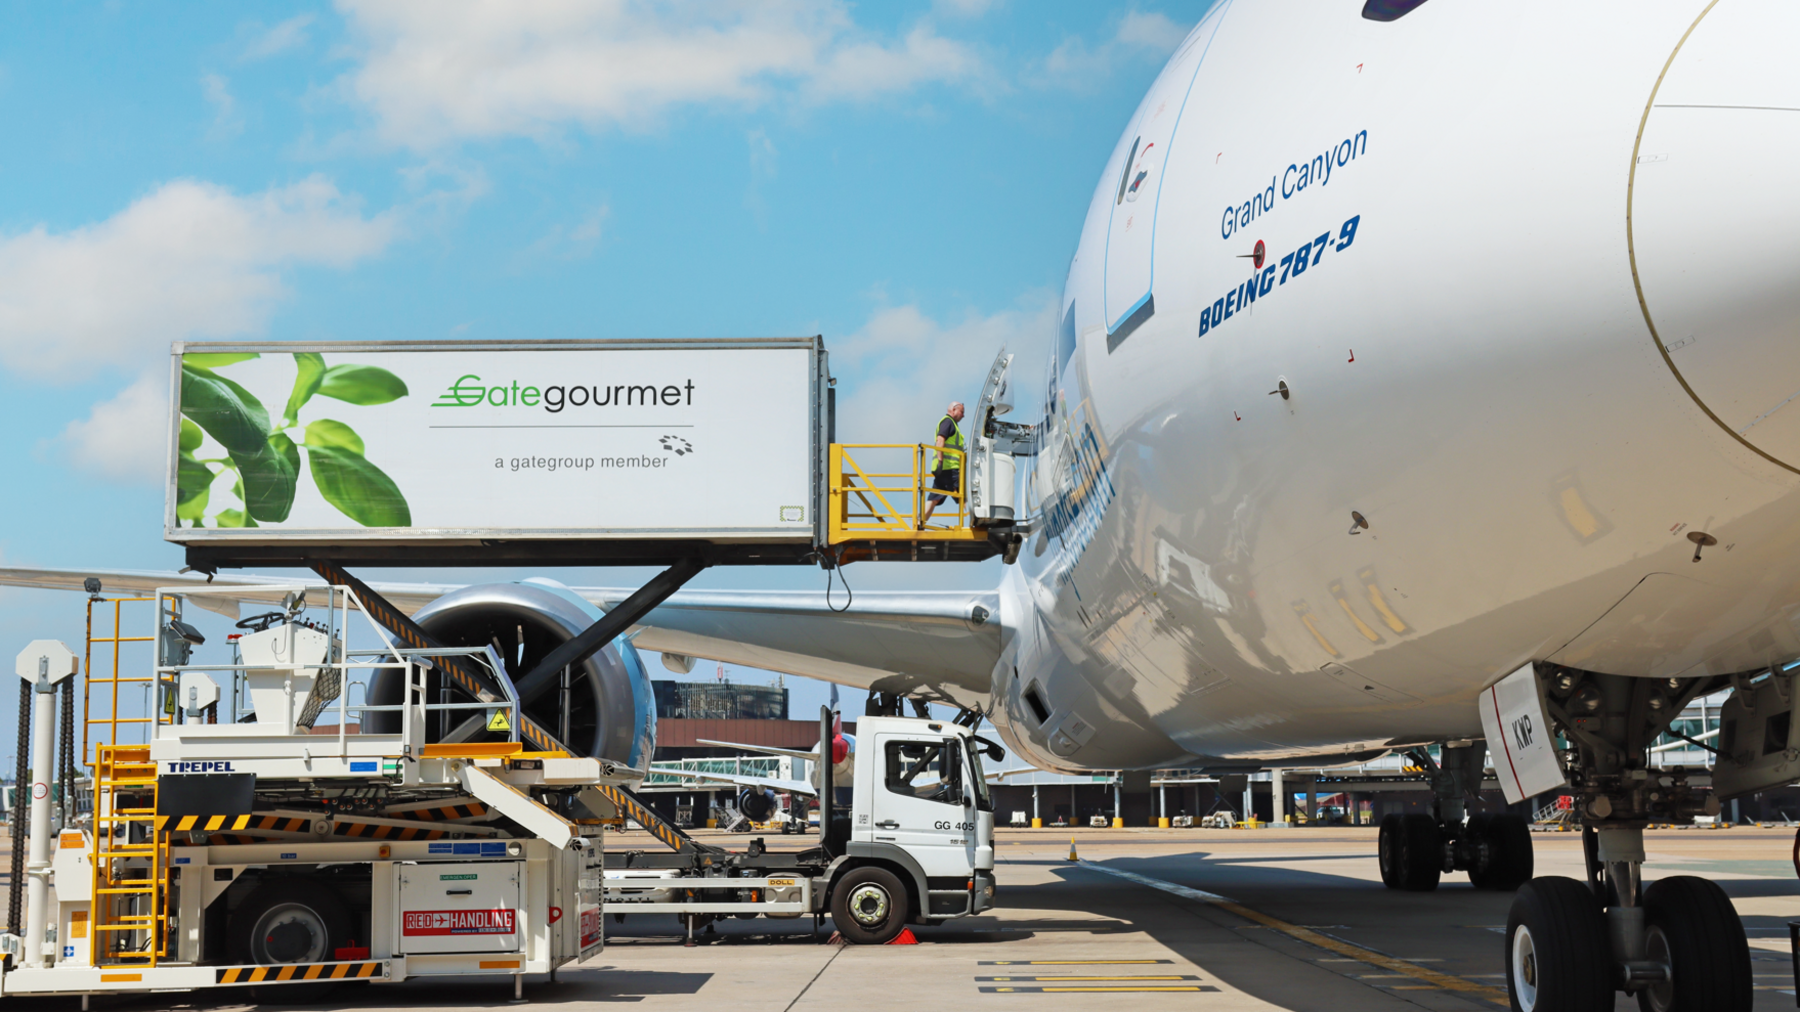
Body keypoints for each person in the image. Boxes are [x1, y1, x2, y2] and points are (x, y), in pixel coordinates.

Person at [920, 401, 965, 528]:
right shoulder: (948, 422)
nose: (963, 415)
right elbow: (940, 441)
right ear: (953, 410)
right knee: (964, 496)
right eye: (961, 412)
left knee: (934, 498)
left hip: (945, 469)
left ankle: (920, 523)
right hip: (950, 468)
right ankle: (976, 524)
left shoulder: (952, 424)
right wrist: (940, 461)